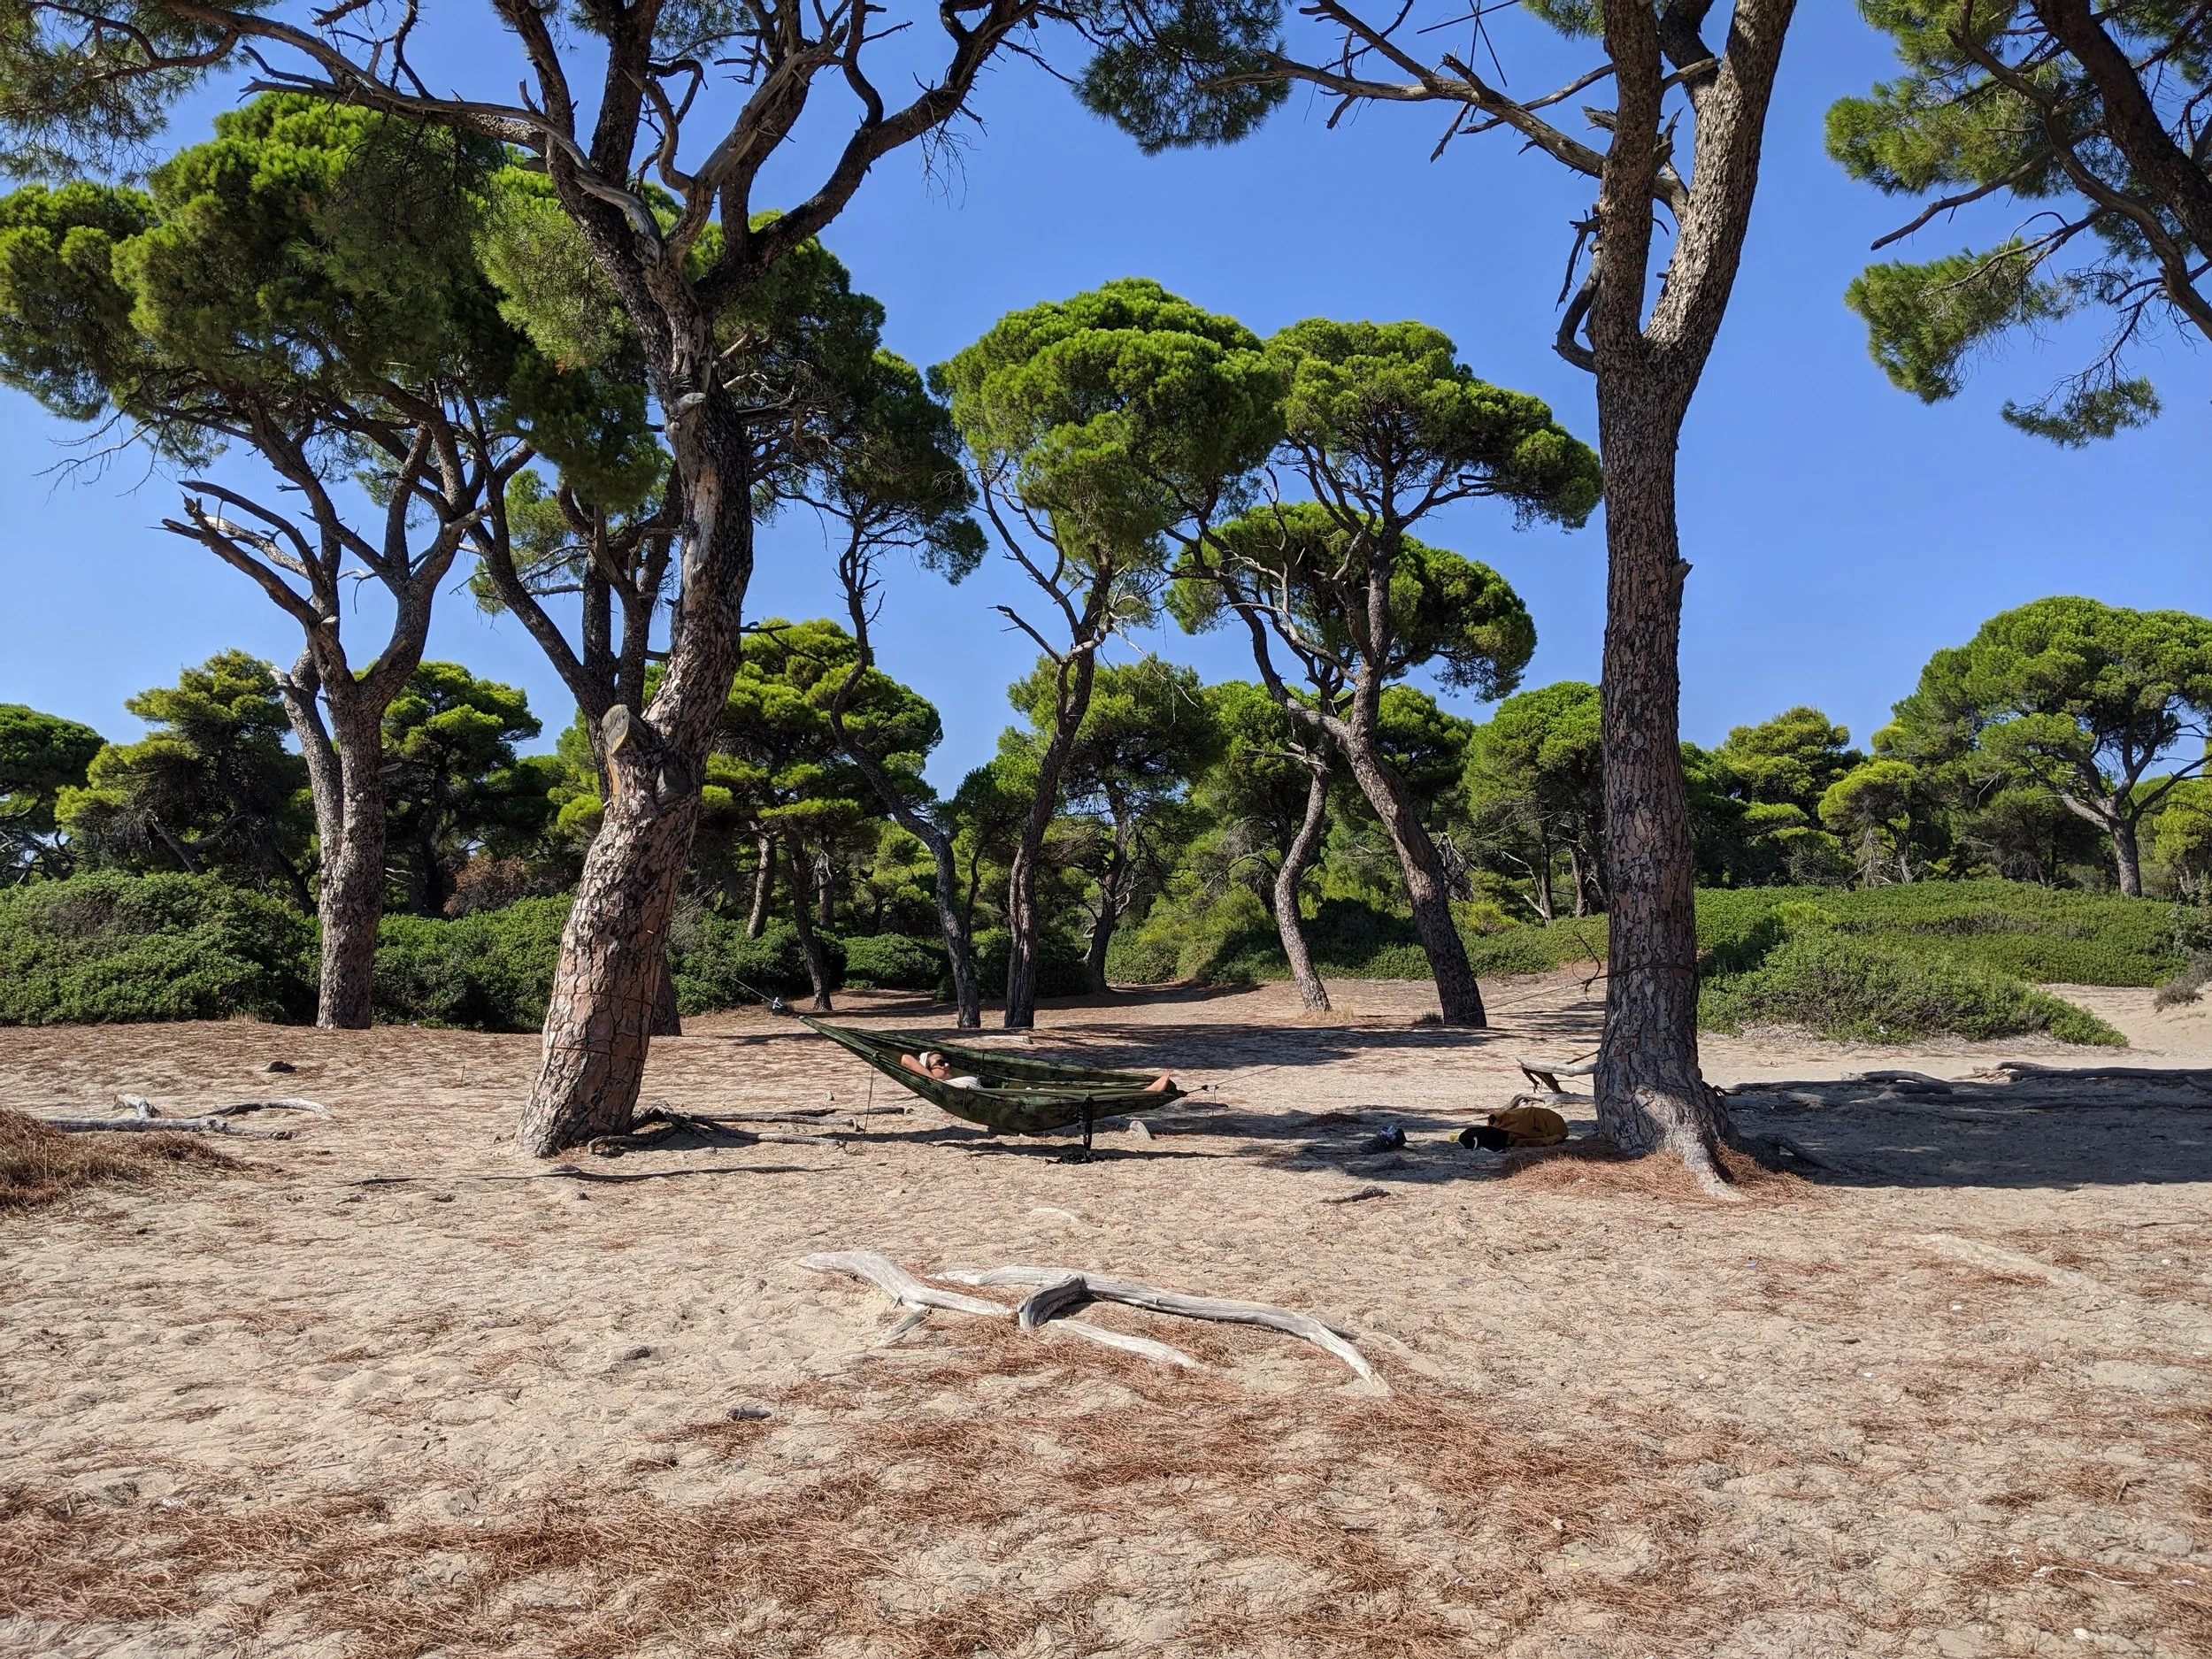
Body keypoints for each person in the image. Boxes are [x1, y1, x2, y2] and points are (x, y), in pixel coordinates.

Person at [896, 1049, 1176, 1093]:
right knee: (1079, 1091)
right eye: (939, 1063)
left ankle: (1141, 1088)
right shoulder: (943, 1088)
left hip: (1020, 1091)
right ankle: (1144, 1090)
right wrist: (927, 1070)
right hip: (1025, 1099)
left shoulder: (955, 1080)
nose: (946, 1065)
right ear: (928, 1070)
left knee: (1077, 1083)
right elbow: (907, 1059)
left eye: (946, 1061)